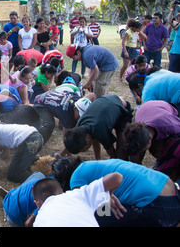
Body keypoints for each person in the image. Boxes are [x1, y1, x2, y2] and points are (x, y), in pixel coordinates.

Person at [52, 157, 180, 227]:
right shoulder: (93, 165)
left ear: (64, 180)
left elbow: (80, 208)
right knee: (105, 209)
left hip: (159, 207)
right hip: (173, 196)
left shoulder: (76, 177)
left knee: (97, 216)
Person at [31, 172, 123, 227]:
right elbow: (117, 177)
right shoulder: (79, 194)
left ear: (37, 204)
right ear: (62, 191)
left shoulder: (39, 221)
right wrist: (106, 196)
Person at [63, 94, 133, 160]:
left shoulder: (100, 131)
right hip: (107, 103)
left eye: (84, 149)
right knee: (95, 135)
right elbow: (94, 139)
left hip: (122, 108)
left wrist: (114, 162)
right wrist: (98, 160)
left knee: (121, 145)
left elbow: (112, 153)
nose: (85, 150)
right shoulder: (80, 127)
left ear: (88, 140)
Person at [0, 118, 45, 183]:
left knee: (13, 175)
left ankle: (43, 180)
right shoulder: (3, 129)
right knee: (28, 162)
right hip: (38, 137)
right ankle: (50, 164)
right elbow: (6, 157)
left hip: (29, 140)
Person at [168, 0, 180, 72]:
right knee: (172, 73)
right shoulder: (178, 26)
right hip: (176, 53)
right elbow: (170, 21)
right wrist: (172, 8)